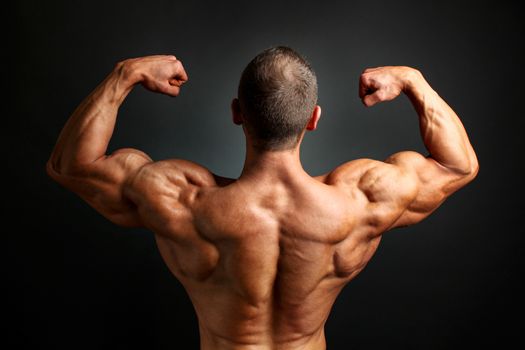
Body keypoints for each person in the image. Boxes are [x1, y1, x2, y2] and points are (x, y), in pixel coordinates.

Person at [47, 47, 478, 349]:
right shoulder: (359, 202)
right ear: (313, 120)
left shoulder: (180, 200)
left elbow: (71, 165)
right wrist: (412, 81)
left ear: (237, 113)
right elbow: (458, 165)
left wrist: (125, 75)